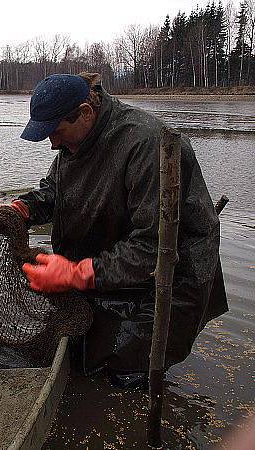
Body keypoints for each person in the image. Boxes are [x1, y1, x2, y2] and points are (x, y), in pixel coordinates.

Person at [13, 72, 228, 384]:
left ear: (85, 113)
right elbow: (53, 193)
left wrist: (76, 274)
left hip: (173, 275)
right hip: (115, 260)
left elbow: (151, 248)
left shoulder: (146, 143)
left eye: (56, 132)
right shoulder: (73, 144)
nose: (53, 144)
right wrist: (21, 208)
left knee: (128, 368)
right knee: (84, 356)